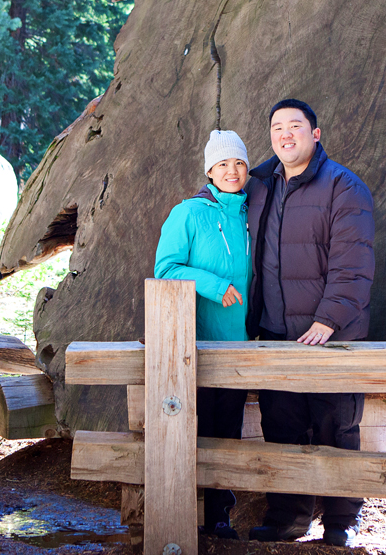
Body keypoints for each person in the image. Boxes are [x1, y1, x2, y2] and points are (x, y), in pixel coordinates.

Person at [245, 98, 375, 548]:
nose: (286, 133)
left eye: (295, 126)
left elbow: (354, 264)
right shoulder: (260, 187)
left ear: (314, 135)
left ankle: (342, 521)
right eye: (277, 126)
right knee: (281, 428)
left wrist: (329, 319)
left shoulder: (344, 187)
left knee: (336, 428)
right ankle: (287, 517)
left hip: (331, 336)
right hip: (277, 333)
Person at [152, 128, 254, 540]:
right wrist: (212, 284)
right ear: (210, 170)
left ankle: (219, 517)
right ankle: (184, 513)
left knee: (229, 431)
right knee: (199, 426)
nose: (232, 170)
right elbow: (165, 268)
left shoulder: (252, 212)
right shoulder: (188, 213)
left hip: (242, 342)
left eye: (239, 163)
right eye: (223, 164)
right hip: (197, 342)